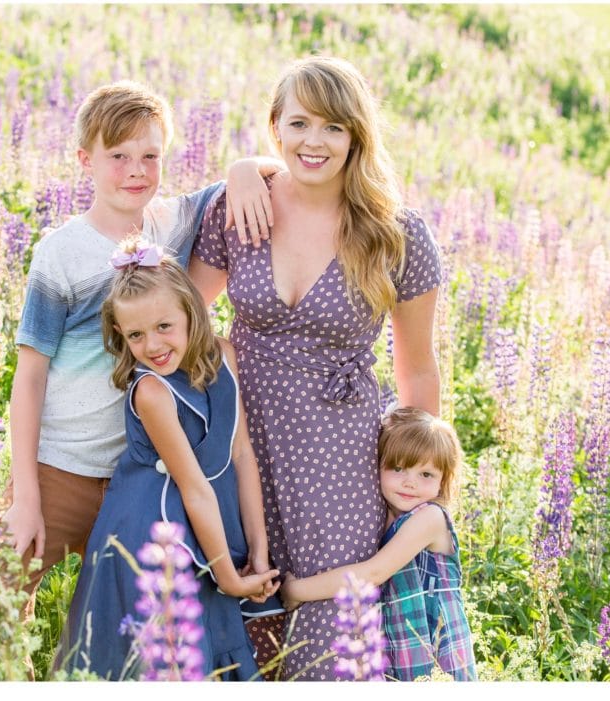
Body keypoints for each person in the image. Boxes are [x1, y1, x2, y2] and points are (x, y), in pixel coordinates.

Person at [0, 80, 279, 680]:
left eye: (151, 157)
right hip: (63, 469)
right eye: (118, 156)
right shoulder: (61, 253)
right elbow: (29, 379)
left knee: (139, 631)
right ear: (85, 160)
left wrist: (240, 165)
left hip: (140, 479)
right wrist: (26, 496)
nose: (136, 171)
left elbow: (256, 175)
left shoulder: (173, 220)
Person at [189, 55, 444, 679]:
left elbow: (417, 374)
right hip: (239, 450)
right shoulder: (239, 205)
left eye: (333, 126)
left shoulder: (396, 234)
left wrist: (419, 487)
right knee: (233, 637)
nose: (314, 141)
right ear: (275, 126)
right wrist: (241, 168)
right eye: (300, 123)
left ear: (357, 135)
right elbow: (186, 321)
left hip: (340, 464)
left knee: (330, 645)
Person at [53, 238, 280, 680]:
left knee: (206, 651)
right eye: (135, 335)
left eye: (163, 326)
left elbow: (241, 452)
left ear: (191, 314)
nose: (152, 345)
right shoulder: (152, 391)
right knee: (162, 659)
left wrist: (258, 548)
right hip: (154, 535)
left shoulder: (225, 355)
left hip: (211, 524)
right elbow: (194, 489)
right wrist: (230, 579)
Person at [280, 408, 477, 681]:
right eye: (398, 468)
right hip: (400, 657)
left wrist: (296, 590)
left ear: (444, 480)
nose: (410, 482)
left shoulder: (430, 518)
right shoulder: (383, 516)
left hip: (437, 657)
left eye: (426, 475)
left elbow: (373, 574)